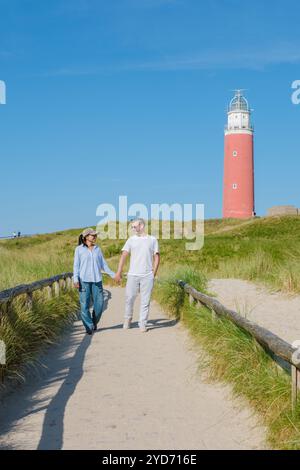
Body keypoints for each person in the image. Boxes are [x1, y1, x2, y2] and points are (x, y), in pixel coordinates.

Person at [115, 218, 160, 332]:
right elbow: (124, 256)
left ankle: (142, 323)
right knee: (129, 298)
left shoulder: (152, 240)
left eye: (134, 226)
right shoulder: (131, 240)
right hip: (133, 274)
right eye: (132, 227)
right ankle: (128, 319)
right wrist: (119, 271)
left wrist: (153, 273)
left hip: (147, 275)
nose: (133, 229)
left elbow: (157, 257)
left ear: (141, 226)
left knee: (146, 300)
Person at [73, 228, 116, 335]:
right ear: (86, 237)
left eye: (95, 235)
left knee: (99, 305)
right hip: (84, 280)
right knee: (84, 305)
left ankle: (94, 322)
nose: (95, 237)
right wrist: (75, 279)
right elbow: (76, 266)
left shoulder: (98, 249)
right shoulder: (78, 249)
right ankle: (88, 326)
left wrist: (113, 275)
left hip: (97, 280)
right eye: (93, 235)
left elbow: (103, 265)